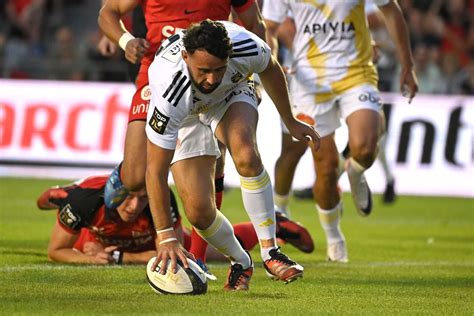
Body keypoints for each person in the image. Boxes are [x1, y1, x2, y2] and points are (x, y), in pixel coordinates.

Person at [145, 20, 319, 291]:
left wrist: (290, 119)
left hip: (231, 94)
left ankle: (271, 252)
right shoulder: (169, 91)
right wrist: (166, 237)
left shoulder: (246, 46)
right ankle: (241, 261)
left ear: (229, 56)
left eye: (219, 69)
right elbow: (155, 171)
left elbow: (271, 69)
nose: (212, 79)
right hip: (188, 114)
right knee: (199, 213)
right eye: (204, 70)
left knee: (246, 153)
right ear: (185, 56)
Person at [98, 0, 266, 264]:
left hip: (214, 77)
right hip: (160, 76)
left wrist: (253, 78)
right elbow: (108, 12)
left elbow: (255, 25)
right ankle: (122, 177)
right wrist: (125, 41)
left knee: (215, 167)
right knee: (136, 176)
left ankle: (199, 257)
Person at [263, 0, 418, 262]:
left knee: (366, 146)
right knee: (324, 164)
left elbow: (390, 10)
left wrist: (407, 65)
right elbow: (271, 27)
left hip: (356, 74)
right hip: (309, 81)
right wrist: (275, 62)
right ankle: (333, 237)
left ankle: (355, 171)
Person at [36, 175, 314, 264]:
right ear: (113, 194)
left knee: (211, 252)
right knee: (54, 202)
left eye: (142, 199)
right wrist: (90, 257)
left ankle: (273, 225)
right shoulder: (84, 202)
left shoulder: (159, 200)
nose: (134, 206)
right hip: (98, 236)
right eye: (129, 198)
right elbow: (55, 250)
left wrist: (119, 257)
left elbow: (171, 253)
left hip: (137, 240)